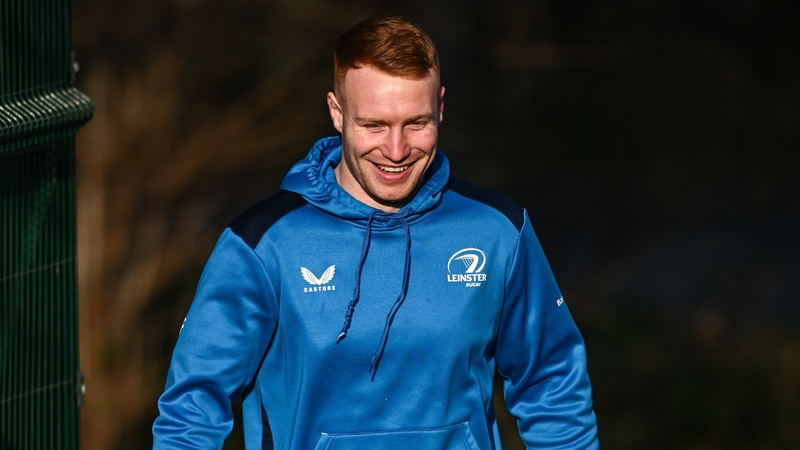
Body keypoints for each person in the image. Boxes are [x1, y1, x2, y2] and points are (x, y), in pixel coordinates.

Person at [153, 15, 598, 450]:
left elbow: (553, 384)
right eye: (374, 125)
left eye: (416, 123)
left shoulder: (497, 230)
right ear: (337, 112)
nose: (396, 150)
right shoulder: (263, 243)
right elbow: (191, 414)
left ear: (441, 108)